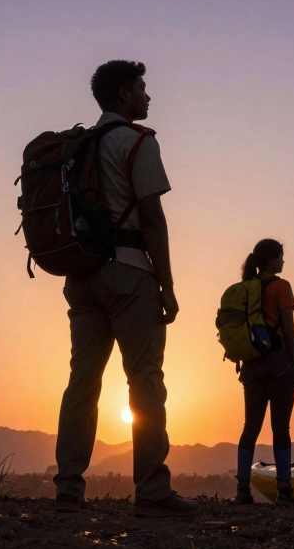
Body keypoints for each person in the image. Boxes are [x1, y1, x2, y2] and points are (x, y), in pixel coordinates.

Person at [53, 60, 199, 518]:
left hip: (81, 277)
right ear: (123, 95)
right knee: (145, 380)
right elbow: (152, 217)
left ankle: (68, 488)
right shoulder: (136, 142)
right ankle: (153, 490)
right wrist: (168, 285)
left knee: (82, 381)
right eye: (141, 88)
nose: (148, 97)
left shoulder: (77, 147)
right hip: (129, 271)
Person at [233, 239, 294, 505]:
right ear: (272, 259)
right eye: (281, 257)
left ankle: (242, 490)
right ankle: (284, 491)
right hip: (278, 366)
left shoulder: (245, 288)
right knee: (280, 428)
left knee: (250, 427)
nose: (283, 261)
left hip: (251, 367)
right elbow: (289, 330)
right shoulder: (281, 287)